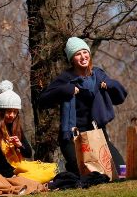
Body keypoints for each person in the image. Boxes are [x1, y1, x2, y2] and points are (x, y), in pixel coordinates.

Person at [37, 37, 127, 175]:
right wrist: (66, 90)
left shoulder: (98, 74)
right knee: (86, 174)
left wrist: (111, 85)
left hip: (97, 133)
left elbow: (120, 97)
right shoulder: (66, 78)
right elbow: (42, 101)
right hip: (73, 136)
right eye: (78, 54)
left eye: (85, 52)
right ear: (71, 59)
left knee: (121, 170)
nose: (83, 56)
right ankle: (71, 170)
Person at [0, 80, 56, 182]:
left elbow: (28, 153)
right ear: (0, 112)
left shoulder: (15, 128)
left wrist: (19, 145)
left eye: (15, 112)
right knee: (32, 178)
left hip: (16, 170)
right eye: (9, 111)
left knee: (49, 170)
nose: (12, 115)